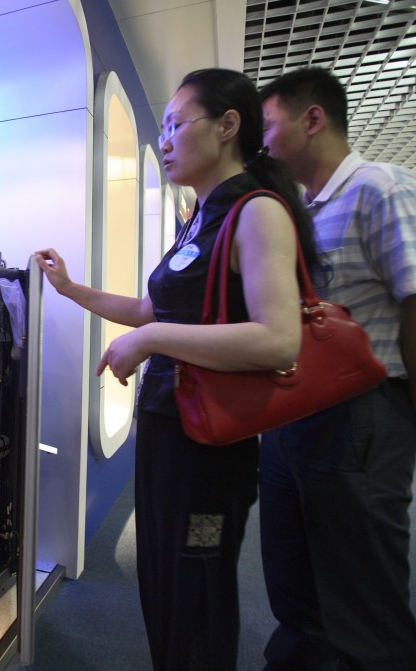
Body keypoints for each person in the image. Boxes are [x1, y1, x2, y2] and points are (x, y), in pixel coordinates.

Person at [35, 68, 317, 670]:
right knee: (164, 582)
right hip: (169, 428)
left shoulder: (256, 212)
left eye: (174, 125)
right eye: (160, 129)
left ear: (227, 127)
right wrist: (69, 290)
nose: (164, 140)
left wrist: (154, 338)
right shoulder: (199, 218)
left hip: (212, 449)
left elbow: (279, 339)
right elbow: (148, 309)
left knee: (198, 587)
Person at [258, 67, 416, 670]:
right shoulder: (299, 210)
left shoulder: (384, 190)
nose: (263, 142)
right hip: (295, 419)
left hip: (363, 419)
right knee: (296, 592)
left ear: (312, 119)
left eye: (270, 125)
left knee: (364, 603)